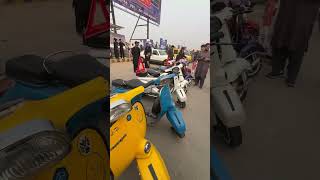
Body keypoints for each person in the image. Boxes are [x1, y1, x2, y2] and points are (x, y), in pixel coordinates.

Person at [266, 0, 320, 87]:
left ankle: (291, 77)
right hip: (286, 14)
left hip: (303, 18)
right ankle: (277, 70)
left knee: (297, 45)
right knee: (280, 40)